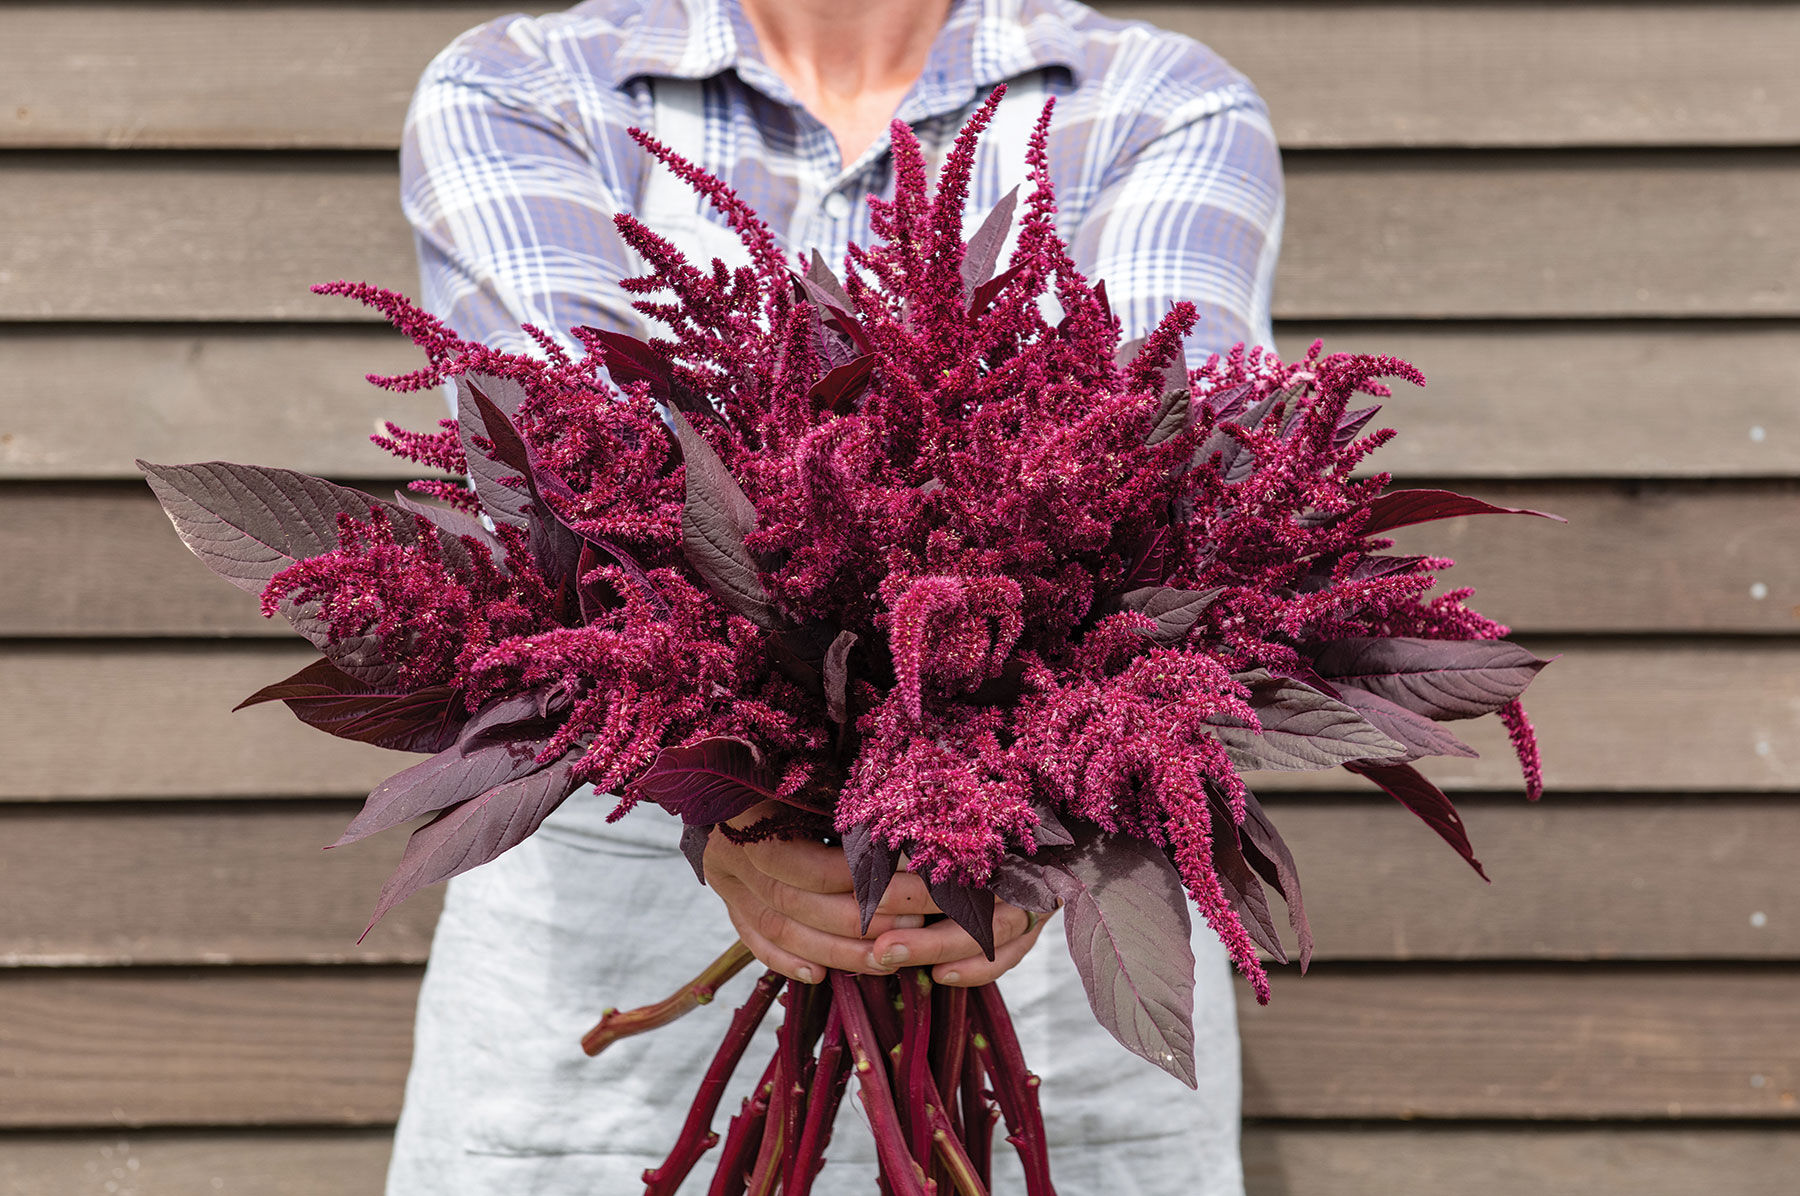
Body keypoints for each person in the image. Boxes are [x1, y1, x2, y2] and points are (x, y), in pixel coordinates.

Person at [386, 1, 1283, 1192]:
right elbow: (585, 479)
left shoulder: (1154, 99)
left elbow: (1163, 473)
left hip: (1050, 957)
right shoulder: (531, 84)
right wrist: (736, 813)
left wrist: (1019, 834)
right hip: (611, 971)